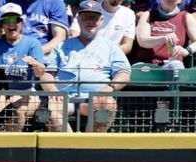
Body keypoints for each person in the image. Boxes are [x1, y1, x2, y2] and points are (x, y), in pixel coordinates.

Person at [41, 0, 130, 132]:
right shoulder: (61, 46)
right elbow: (47, 74)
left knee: (108, 104)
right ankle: (70, 146)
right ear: (79, 19)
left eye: (94, 18)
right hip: (65, 98)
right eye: (86, 17)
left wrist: (110, 87)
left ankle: (90, 144)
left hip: (96, 98)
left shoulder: (111, 47)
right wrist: (53, 90)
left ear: (101, 20)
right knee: (50, 110)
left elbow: (124, 73)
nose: (90, 21)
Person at [0, 2, 45, 131]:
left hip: (26, 91)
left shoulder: (32, 43)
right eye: (7, 20)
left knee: (17, 109)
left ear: (21, 23)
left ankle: (12, 146)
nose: (12, 23)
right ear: (1, 25)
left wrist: (35, 64)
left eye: (16, 20)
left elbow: (40, 73)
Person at [133, 0, 196, 69]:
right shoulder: (148, 14)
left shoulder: (186, 16)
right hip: (146, 62)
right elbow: (142, 41)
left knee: (177, 68)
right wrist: (163, 38)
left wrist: (187, 51)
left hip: (173, 62)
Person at [0, 0, 68, 60]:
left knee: (46, 77)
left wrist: (35, 52)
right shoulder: (5, 3)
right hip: (9, 53)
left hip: (43, 54)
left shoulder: (54, 2)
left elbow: (60, 37)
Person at [68, 0, 135, 55]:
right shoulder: (90, 8)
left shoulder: (129, 14)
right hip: (83, 54)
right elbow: (74, 34)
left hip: (111, 58)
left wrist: (106, 55)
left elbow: (127, 45)